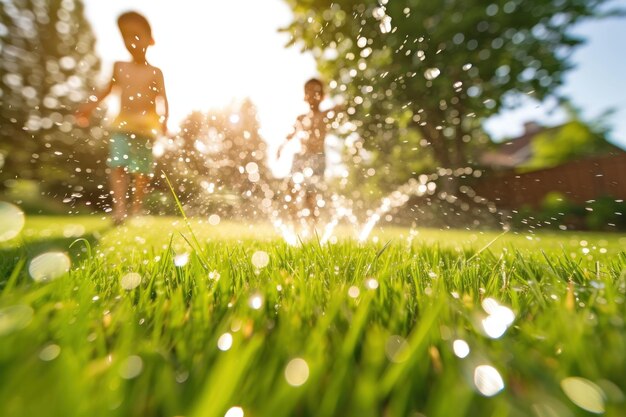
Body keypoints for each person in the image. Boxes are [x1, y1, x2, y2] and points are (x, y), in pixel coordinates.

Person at [76, 11, 168, 225]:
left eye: (137, 35)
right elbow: (106, 91)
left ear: (150, 40)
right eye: (126, 36)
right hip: (123, 124)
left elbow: (163, 99)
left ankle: (136, 209)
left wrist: (166, 120)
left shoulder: (155, 72)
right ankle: (119, 211)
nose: (132, 41)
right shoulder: (119, 66)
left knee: (141, 171)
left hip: (146, 127)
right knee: (118, 165)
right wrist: (88, 107)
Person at [277, 78, 341, 221]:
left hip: (317, 158)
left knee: (311, 195)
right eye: (309, 91)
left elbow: (340, 109)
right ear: (305, 96)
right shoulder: (301, 118)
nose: (312, 95)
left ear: (323, 96)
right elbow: (291, 134)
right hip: (301, 157)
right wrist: (281, 147)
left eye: (316, 92)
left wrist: (343, 105)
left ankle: (313, 228)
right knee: (290, 188)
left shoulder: (325, 115)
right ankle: (295, 225)